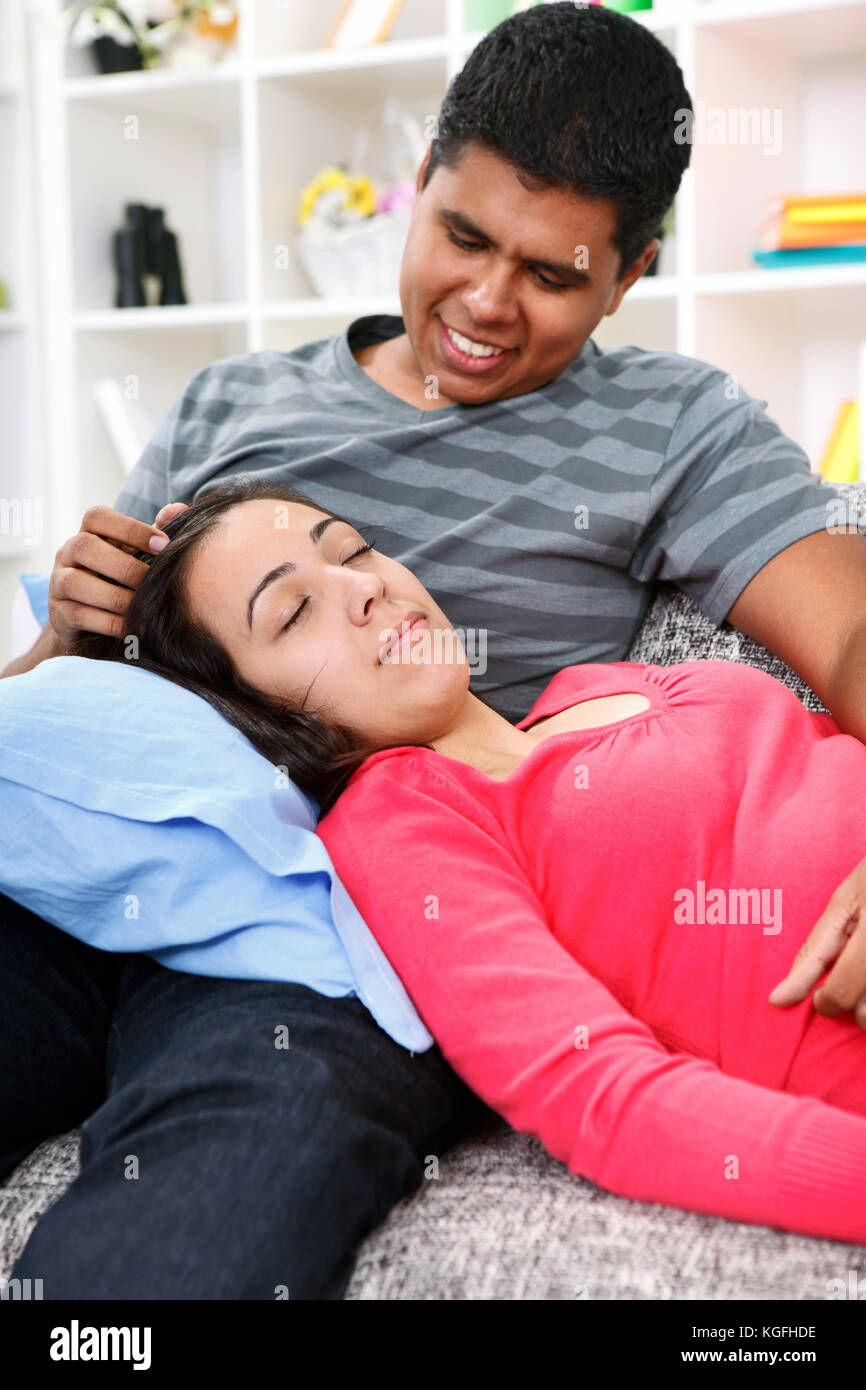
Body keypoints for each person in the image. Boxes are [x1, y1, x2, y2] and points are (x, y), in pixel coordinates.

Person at [5, 3, 866, 1294]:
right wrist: (62, 640)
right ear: (417, 183)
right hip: (103, 871)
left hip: (336, 939)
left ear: (628, 276)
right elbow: (53, 722)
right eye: (459, 236)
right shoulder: (227, 404)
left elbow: (847, 629)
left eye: (552, 274)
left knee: (222, 1186)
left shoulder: (676, 426)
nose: (482, 302)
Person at [70, 476, 866, 1245]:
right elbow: (603, 1099)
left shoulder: (604, 685)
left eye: (353, 552)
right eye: (295, 611)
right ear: (257, 712)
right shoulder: (406, 819)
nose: (364, 590)